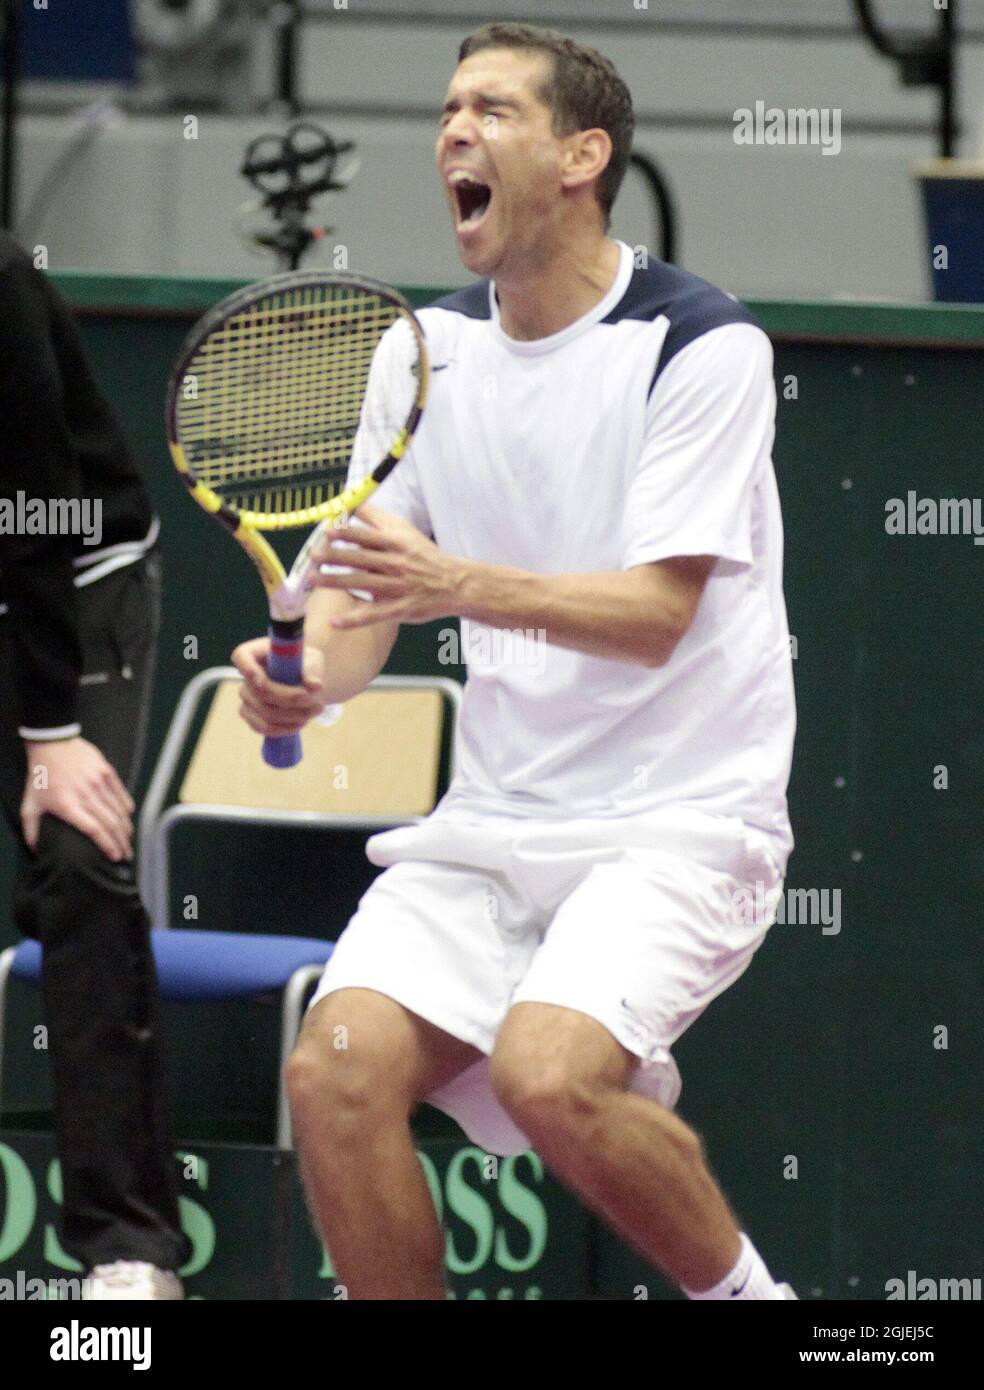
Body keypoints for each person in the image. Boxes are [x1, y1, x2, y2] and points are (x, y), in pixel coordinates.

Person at [234, 22, 798, 1301]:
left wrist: (459, 586)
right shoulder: (419, 355)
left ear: (581, 155)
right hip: (495, 822)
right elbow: (363, 611)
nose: (452, 135)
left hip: (680, 822)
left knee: (552, 1074)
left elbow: (658, 613)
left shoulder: (704, 348)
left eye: (491, 110)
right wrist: (309, 674)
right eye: (446, 113)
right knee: (334, 1071)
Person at [0, 232, 189, 1298]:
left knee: (76, 861)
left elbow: (38, 506)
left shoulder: (1, 282)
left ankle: (127, 1250)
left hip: (75, 578)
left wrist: (48, 734)